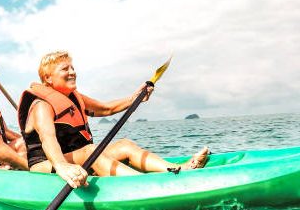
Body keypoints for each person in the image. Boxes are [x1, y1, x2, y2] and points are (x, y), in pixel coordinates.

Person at [18, 51, 209, 189]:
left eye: (73, 67)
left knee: (125, 145)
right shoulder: (41, 105)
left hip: (77, 157)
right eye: (65, 69)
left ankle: (179, 169)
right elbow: (48, 139)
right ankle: (146, 186)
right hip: (46, 165)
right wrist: (61, 166)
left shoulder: (74, 97)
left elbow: (106, 108)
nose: (72, 72)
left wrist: (135, 99)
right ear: (48, 78)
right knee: (90, 151)